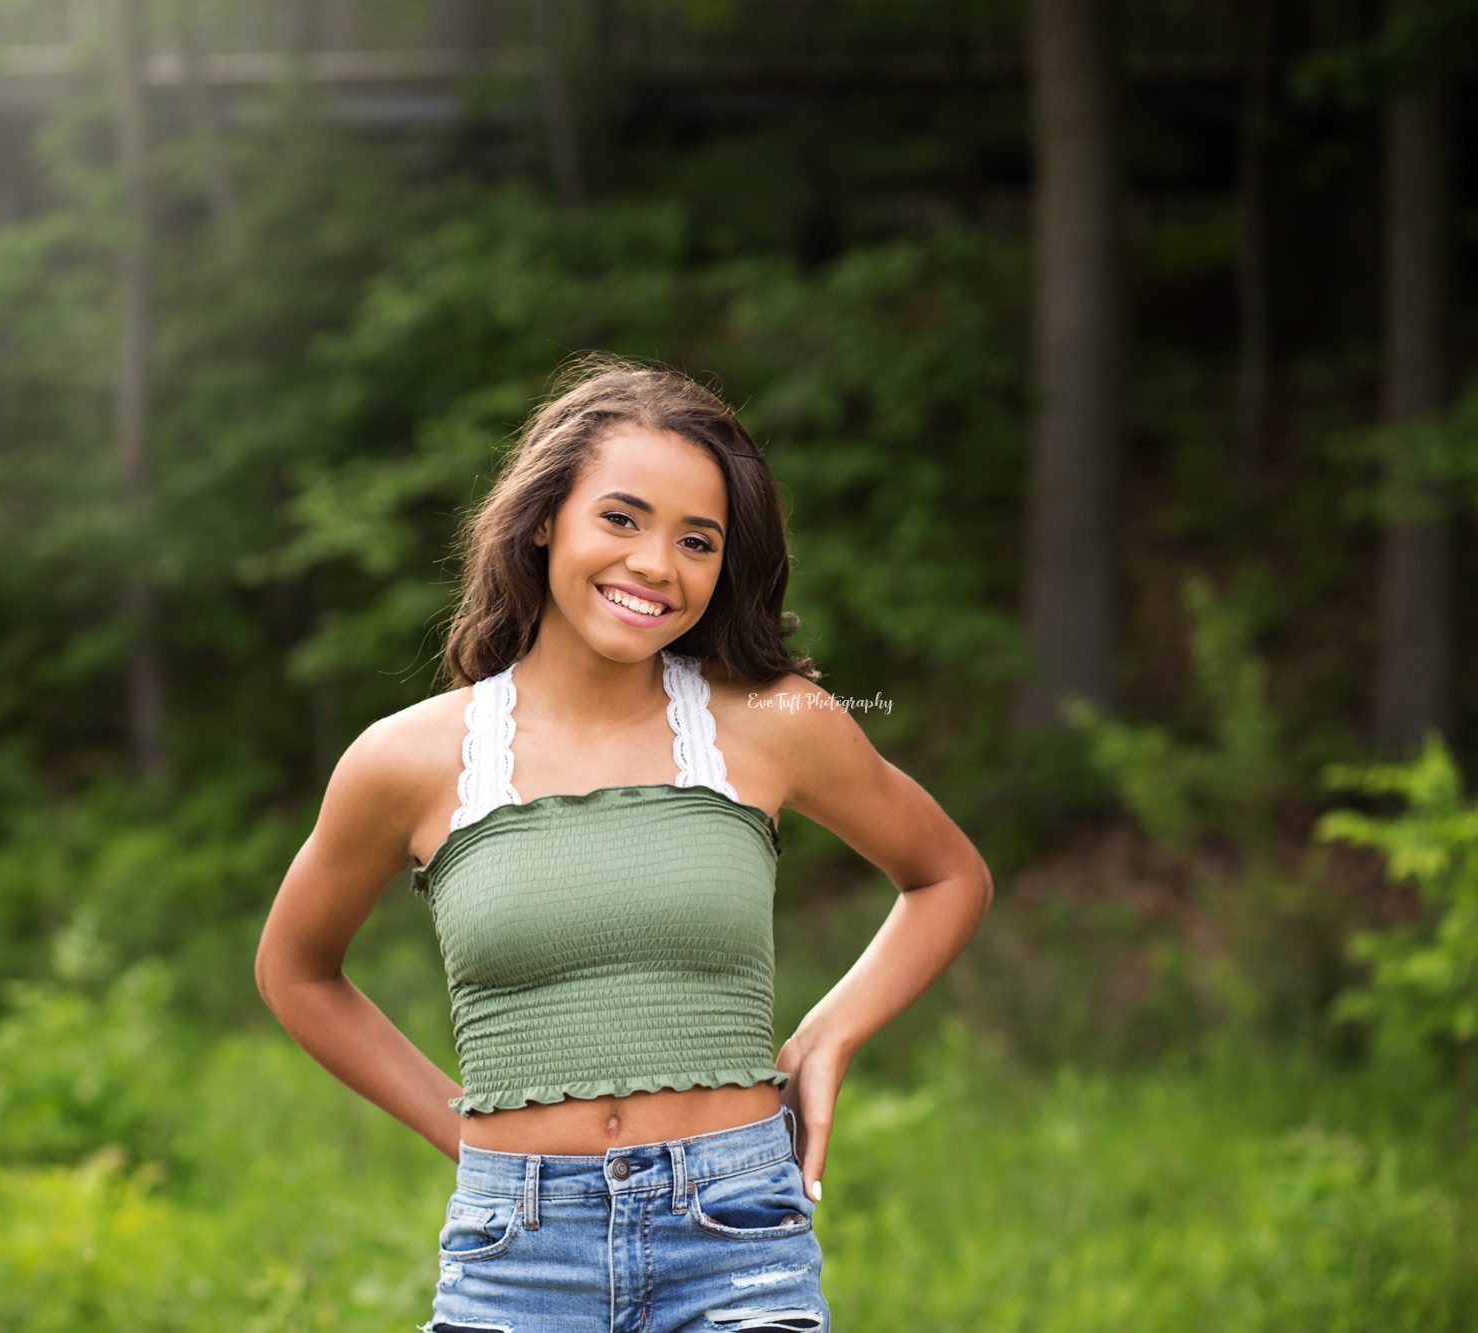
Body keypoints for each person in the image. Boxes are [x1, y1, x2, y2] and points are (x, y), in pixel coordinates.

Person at [254, 353, 994, 1332]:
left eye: (696, 539)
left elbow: (946, 874)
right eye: (620, 517)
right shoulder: (407, 759)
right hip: (515, 1251)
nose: (654, 563)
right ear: (543, 518)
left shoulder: (773, 720)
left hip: (735, 1234)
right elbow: (294, 969)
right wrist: (464, 1130)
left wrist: (827, 1034)